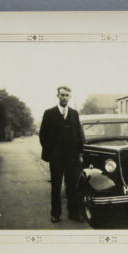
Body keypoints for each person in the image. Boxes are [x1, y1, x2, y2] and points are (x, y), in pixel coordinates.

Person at [39, 86, 85, 223]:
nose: (65, 97)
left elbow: (79, 134)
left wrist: (80, 153)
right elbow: (43, 135)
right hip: (56, 158)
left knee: (72, 186)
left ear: (70, 97)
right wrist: (51, 152)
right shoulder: (49, 113)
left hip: (72, 158)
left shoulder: (74, 114)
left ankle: (74, 213)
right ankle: (56, 214)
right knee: (56, 186)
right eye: (62, 95)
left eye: (67, 95)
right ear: (57, 96)